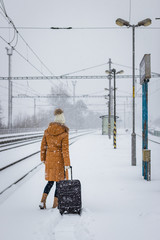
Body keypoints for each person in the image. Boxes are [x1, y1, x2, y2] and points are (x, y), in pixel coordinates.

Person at [39, 108, 70, 209]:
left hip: (49, 160)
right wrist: (67, 164)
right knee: (59, 182)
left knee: (50, 182)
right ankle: (55, 204)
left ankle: (42, 201)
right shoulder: (64, 133)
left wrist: (43, 159)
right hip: (59, 161)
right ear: (62, 121)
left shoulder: (47, 131)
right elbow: (65, 150)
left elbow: (43, 146)